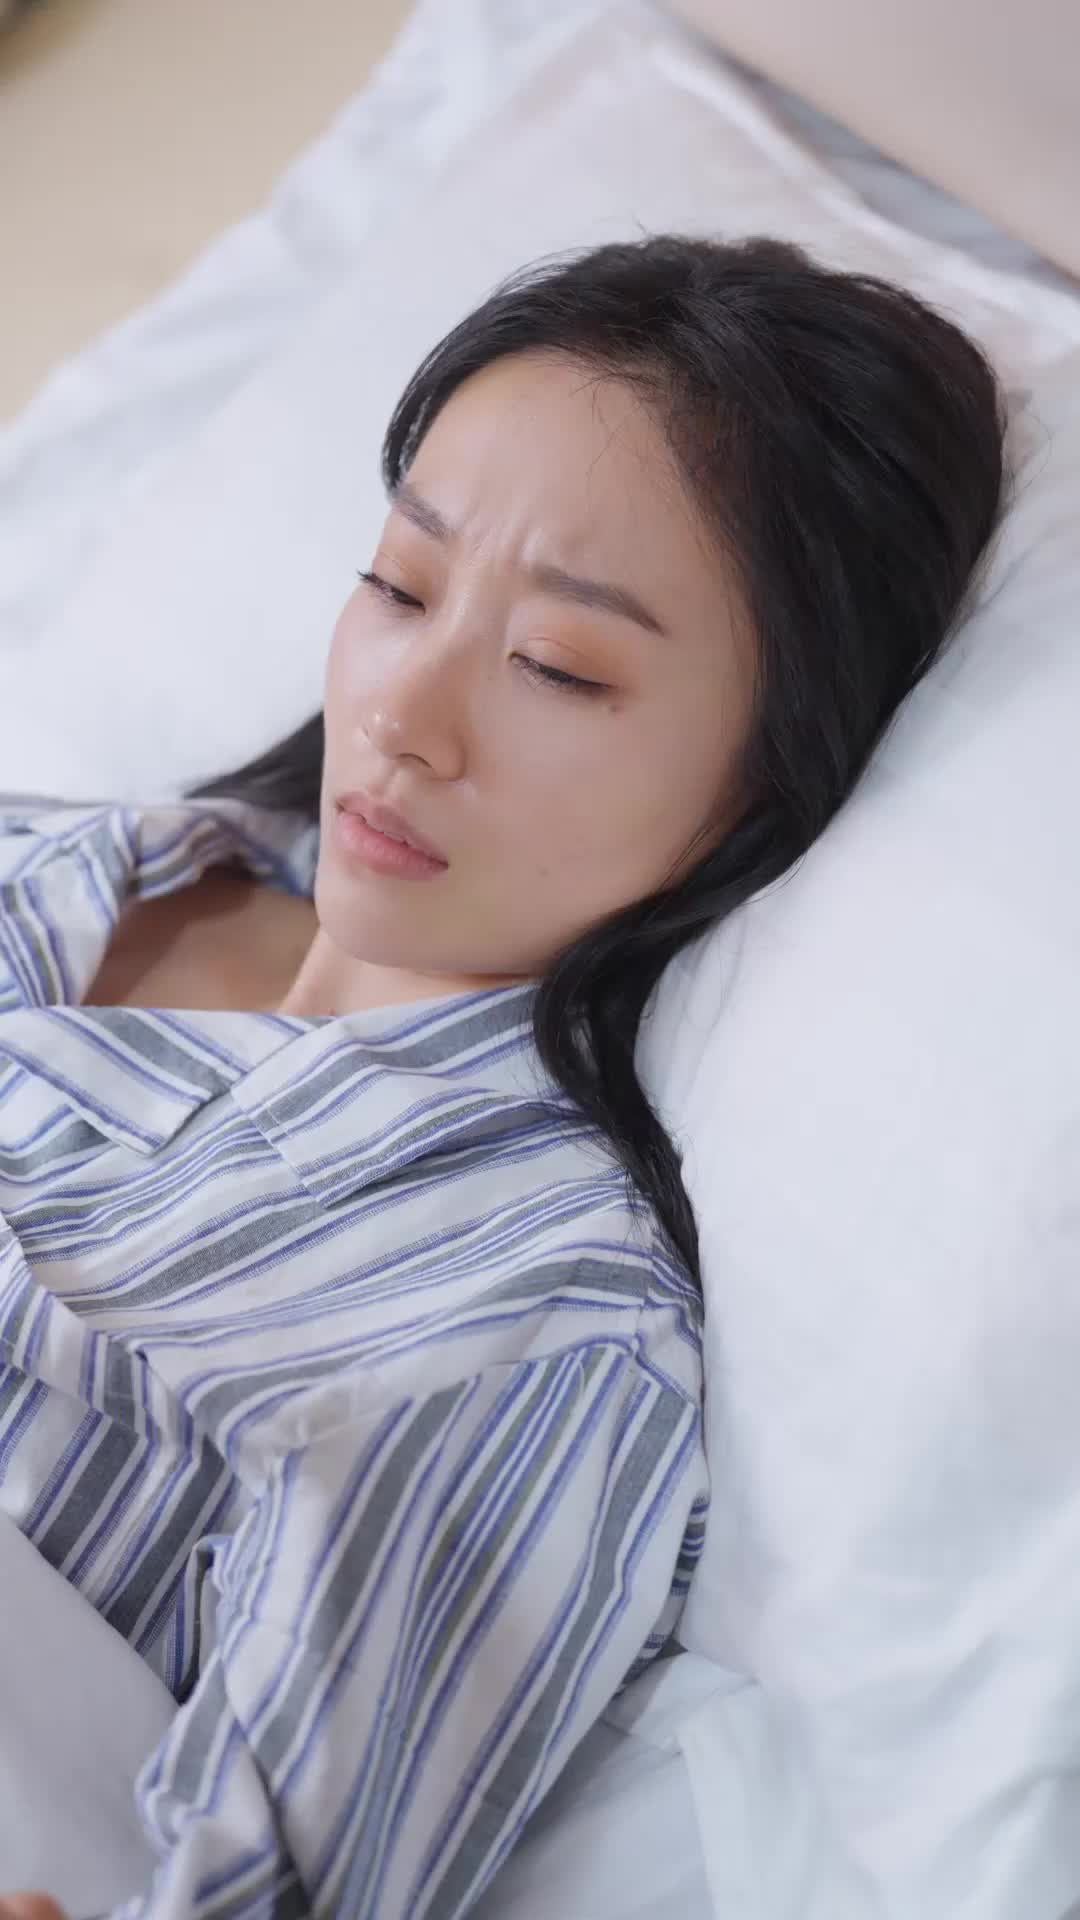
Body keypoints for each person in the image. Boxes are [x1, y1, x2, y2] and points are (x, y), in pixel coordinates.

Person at [0, 234, 1005, 1920]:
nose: (404, 712)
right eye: (400, 584)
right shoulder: (66, 859)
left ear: (770, 782)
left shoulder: (527, 1315)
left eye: (559, 668)